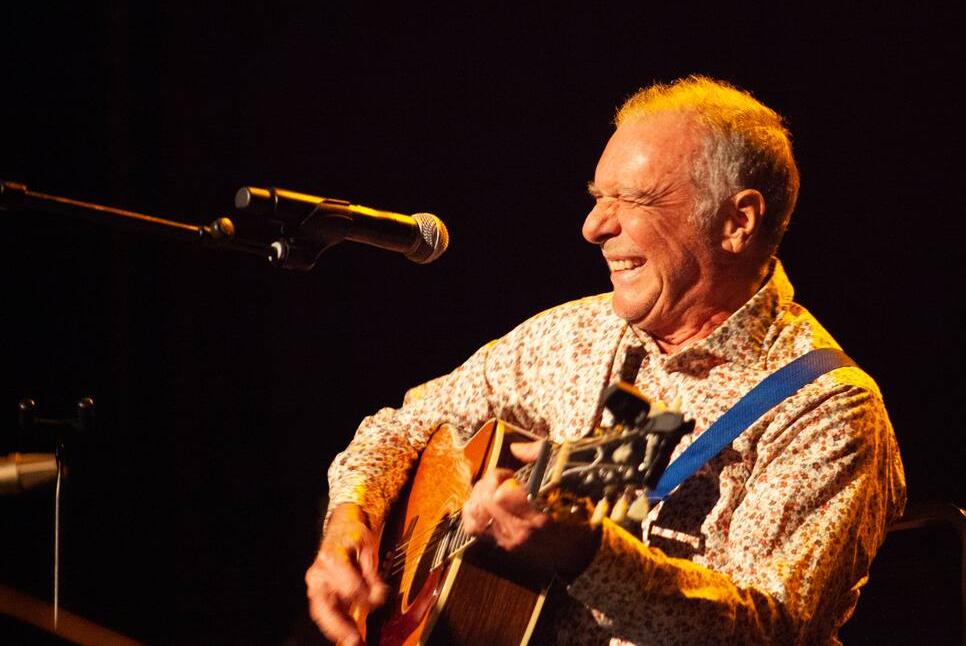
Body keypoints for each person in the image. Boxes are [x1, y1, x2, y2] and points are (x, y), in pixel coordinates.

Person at [304, 75, 905, 645]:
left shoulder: (825, 408)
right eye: (598, 197)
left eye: (634, 198)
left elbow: (769, 630)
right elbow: (404, 425)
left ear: (736, 222)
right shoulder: (578, 333)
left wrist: (583, 555)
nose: (593, 226)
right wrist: (352, 517)